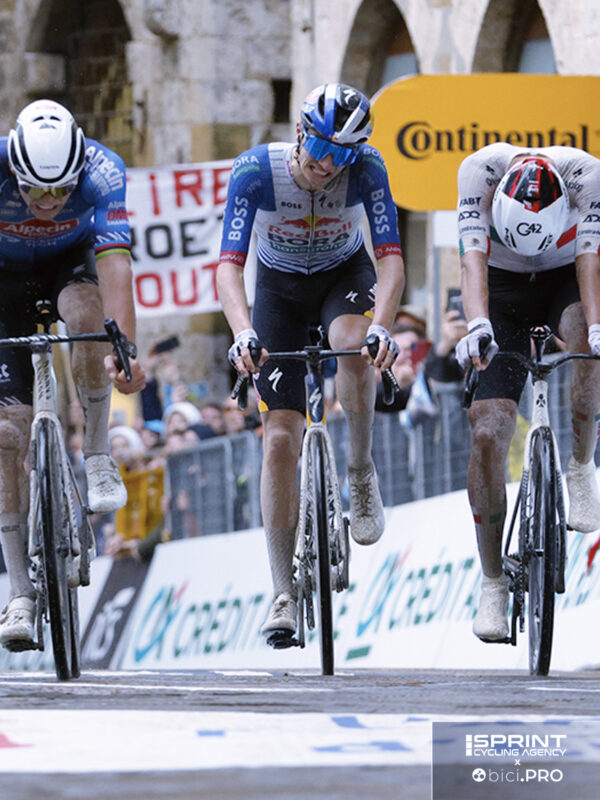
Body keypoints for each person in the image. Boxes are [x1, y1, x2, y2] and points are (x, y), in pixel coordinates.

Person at [216, 82, 404, 645]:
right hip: (278, 289)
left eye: (344, 154)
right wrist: (243, 330)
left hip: (344, 277)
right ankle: (281, 592)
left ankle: (361, 472)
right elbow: (229, 265)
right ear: (301, 132)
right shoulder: (255, 172)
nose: (330, 165)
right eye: (322, 149)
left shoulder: (367, 168)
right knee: (278, 439)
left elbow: (390, 259)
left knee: (352, 344)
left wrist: (383, 325)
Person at [0, 99, 145, 650]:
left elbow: (115, 263)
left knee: (90, 317)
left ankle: (99, 451)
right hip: (3, 280)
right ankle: (19, 595)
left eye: (62, 190)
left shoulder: (103, 170)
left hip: (70, 264)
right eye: (37, 192)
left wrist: (124, 350)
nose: (51, 202)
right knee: (7, 435)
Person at [455, 143, 600, 643]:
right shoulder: (477, 174)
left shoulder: (587, 178)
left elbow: (589, 263)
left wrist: (596, 330)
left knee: (584, 336)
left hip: (565, 279)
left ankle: (581, 465)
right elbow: (472, 262)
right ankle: (492, 580)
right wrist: (477, 324)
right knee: (489, 431)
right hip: (501, 289)